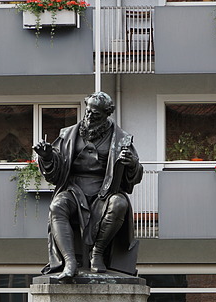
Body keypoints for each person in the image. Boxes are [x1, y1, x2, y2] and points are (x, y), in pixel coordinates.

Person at [33, 91, 143, 279]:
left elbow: (134, 177)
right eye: (88, 111)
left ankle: (98, 252)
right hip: (74, 190)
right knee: (57, 206)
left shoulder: (122, 139)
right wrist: (47, 156)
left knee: (120, 204)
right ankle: (69, 261)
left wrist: (132, 163)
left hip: (106, 191)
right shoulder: (67, 134)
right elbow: (56, 172)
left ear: (107, 114)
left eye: (96, 114)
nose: (90, 116)